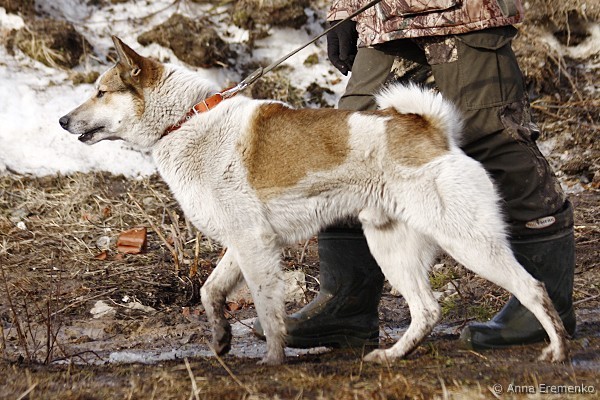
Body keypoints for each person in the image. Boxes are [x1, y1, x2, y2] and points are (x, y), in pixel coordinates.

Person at [254, 0, 576, 351]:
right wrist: (344, 10)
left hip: (464, 17)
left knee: (496, 140)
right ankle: (346, 308)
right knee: (346, 146)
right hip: (384, 23)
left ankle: (543, 304)